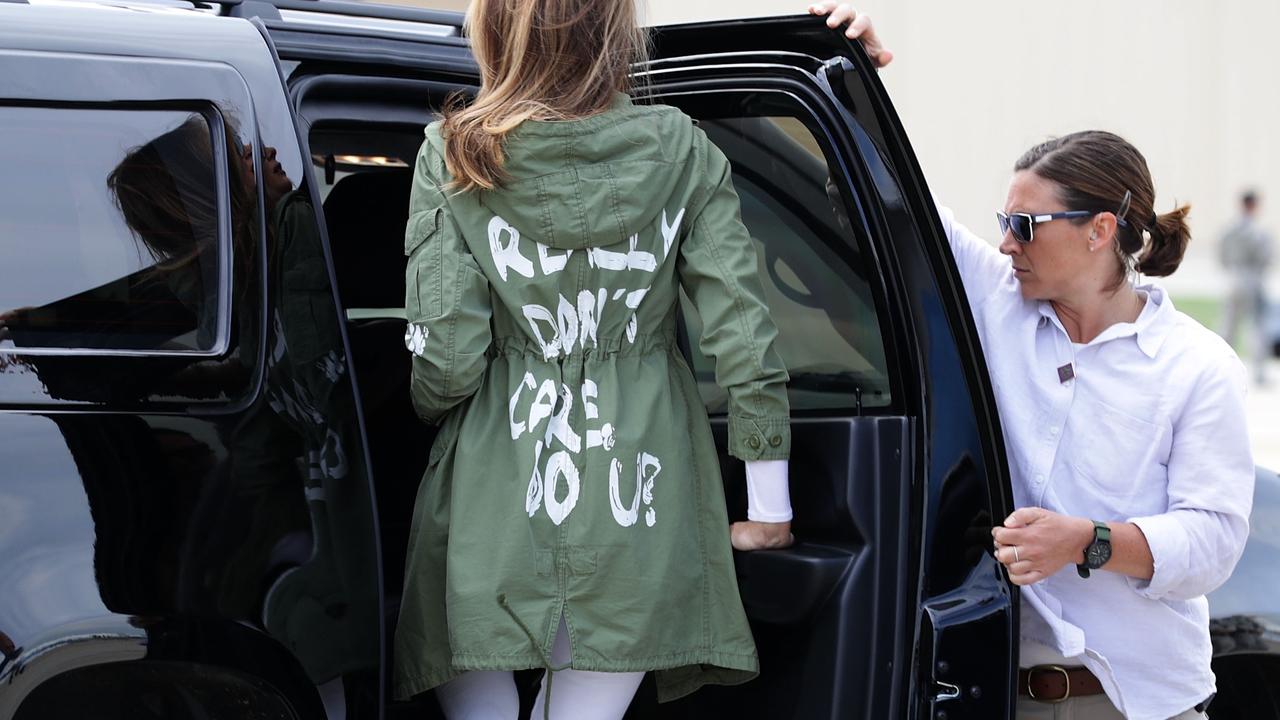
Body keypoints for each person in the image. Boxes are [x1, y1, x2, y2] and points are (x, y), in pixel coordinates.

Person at [811, 5, 1253, 719]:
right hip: (994, 697)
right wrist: (851, 74)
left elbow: (1213, 542)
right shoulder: (996, 297)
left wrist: (1087, 541)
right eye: (1002, 224)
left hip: (1135, 705)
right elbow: (892, 209)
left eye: (1024, 225)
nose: (1007, 243)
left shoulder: (1197, 366)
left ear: (1100, 231)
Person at [391, 0, 795, 718]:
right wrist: (768, 504)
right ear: (616, 33)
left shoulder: (453, 151)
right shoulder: (682, 148)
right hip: (639, 485)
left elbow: (449, 356)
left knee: (475, 694)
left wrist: (429, 410)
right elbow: (741, 327)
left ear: (492, 31)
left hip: (494, 480)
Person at [1218, 190, 1272, 384]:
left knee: (1228, 325)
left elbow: (1222, 254)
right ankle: (1259, 373)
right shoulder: (1258, 232)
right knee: (1256, 326)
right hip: (1251, 280)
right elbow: (1265, 258)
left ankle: (1220, 369)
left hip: (1233, 278)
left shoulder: (1229, 230)